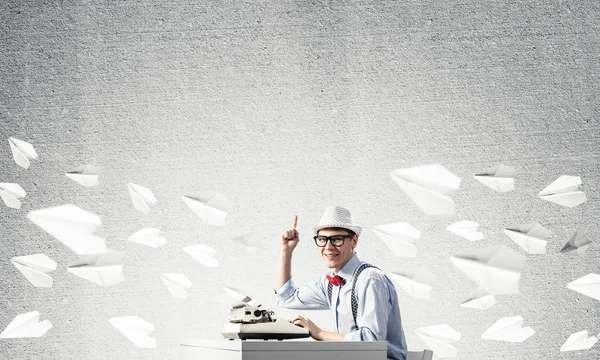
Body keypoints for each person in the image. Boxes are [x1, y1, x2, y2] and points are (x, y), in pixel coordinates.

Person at [275, 205, 407, 360]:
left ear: (354, 241)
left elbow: (371, 341)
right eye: (323, 240)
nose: (328, 247)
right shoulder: (329, 283)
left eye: (336, 239)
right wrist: (286, 252)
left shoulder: (370, 280)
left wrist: (320, 333)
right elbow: (287, 298)